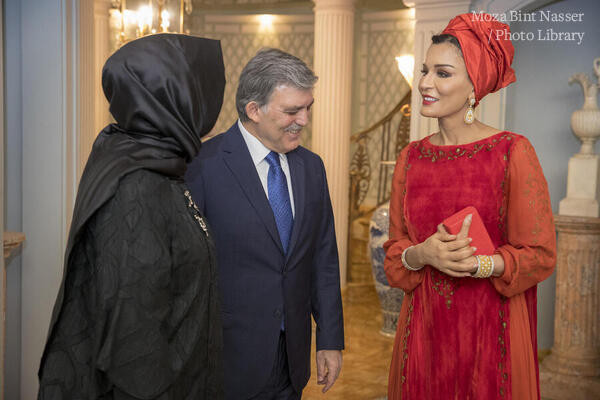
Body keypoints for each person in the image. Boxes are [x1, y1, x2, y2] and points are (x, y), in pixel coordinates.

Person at [38, 34, 226, 399]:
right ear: (176, 97)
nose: (212, 107)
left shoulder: (159, 165)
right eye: (203, 92)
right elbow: (132, 349)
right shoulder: (137, 184)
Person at [383, 13, 557, 400]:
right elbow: (395, 256)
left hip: (490, 334)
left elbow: (540, 255)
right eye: (425, 70)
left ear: (474, 87)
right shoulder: (410, 158)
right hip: (424, 334)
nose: (425, 82)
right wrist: (421, 253)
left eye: (442, 73)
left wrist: (481, 264)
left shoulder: (512, 151)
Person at [185, 47, 344, 400]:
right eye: (292, 111)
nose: (303, 120)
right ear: (253, 110)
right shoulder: (202, 166)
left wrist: (330, 339)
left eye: (308, 108)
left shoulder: (311, 167)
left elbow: (323, 259)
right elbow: (185, 270)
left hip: (292, 361)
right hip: (227, 361)